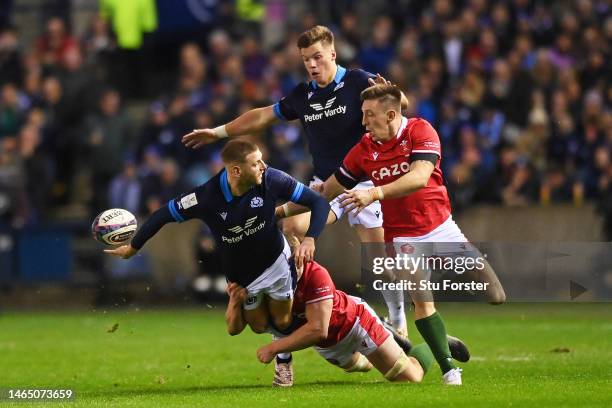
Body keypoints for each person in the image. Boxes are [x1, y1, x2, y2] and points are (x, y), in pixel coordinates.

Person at [182, 24, 412, 341]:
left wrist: (400, 97)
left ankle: (399, 322)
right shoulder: (303, 95)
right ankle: (298, 304)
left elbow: (398, 106)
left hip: (363, 184)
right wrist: (219, 132)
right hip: (324, 186)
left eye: (317, 57)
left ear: (333, 53)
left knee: (378, 261)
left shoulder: (359, 81)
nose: (312, 65)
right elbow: (262, 116)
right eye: (306, 59)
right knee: (291, 227)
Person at [284, 84, 508, 384]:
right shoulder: (364, 149)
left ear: (391, 114)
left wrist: (375, 192)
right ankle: (449, 370)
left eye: (368, 115)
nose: (363, 123)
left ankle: (434, 336)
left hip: (442, 228)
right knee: (424, 305)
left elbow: (418, 178)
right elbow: (327, 189)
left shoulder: (420, 131)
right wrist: (279, 212)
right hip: (404, 239)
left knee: (495, 295)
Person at [105, 139, 330, 334]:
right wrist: (133, 247)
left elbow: (317, 202)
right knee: (259, 326)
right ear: (236, 171)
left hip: (275, 260)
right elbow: (162, 215)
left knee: (282, 321)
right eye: (256, 163)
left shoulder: (272, 178)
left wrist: (310, 239)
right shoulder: (205, 197)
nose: (263, 166)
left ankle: (288, 350)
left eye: (261, 160)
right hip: (241, 273)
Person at [225, 260, 470, 386]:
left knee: (409, 376)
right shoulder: (260, 286)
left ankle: (438, 344)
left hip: (353, 323)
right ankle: (387, 336)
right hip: (329, 345)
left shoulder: (314, 273)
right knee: (360, 366)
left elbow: (317, 329)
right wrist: (234, 301)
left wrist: (275, 349)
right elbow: (234, 329)